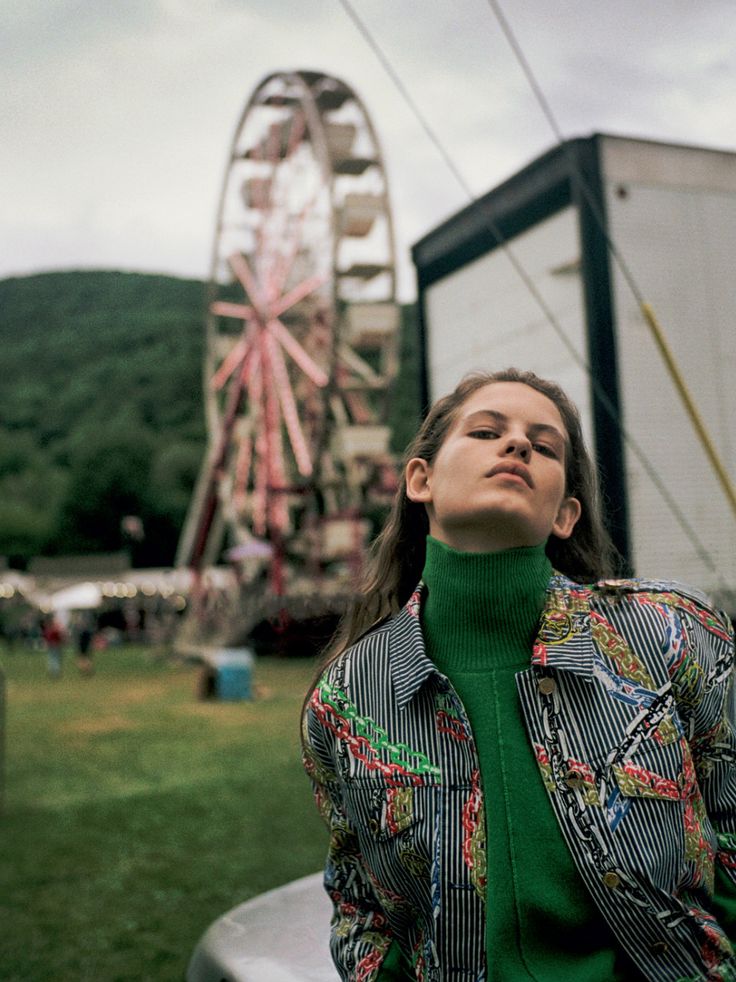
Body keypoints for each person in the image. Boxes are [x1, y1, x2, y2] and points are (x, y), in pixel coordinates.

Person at [302, 368, 736, 982]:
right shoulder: (345, 700)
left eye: (545, 444)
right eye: (485, 431)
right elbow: (360, 904)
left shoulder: (672, 635)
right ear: (420, 480)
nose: (518, 445)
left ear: (565, 514)